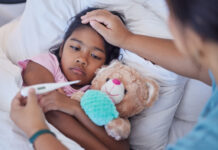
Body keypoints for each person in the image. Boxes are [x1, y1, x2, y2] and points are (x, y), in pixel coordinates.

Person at [80, 0, 218, 149]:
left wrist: (50, 132)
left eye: (170, 12)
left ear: (195, 36)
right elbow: (200, 68)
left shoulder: (205, 140)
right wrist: (126, 39)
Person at [17, 7, 129, 150]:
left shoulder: (99, 94)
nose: (82, 59)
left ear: (105, 65)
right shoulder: (46, 64)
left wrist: (75, 108)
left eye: (95, 56)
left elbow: (121, 145)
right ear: (62, 47)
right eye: (75, 48)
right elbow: (53, 112)